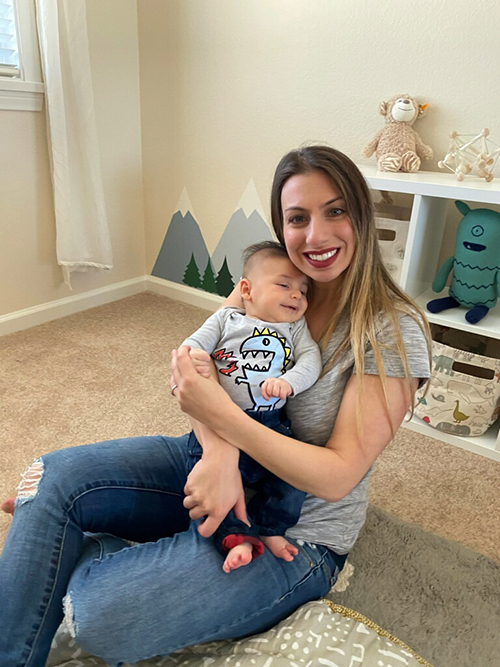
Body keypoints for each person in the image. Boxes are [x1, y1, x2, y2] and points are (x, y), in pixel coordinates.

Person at [0, 145, 431, 667]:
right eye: (297, 218)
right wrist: (219, 456)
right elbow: (193, 369)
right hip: (205, 458)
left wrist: (222, 424)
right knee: (48, 479)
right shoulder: (274, 282)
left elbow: (338, 475)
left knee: (97, 614)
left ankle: (81, 547)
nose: (315, 236)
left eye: (335, 211)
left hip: (292, 531)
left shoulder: (392, 329)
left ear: (361, 213)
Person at [181, 241, 321, 573]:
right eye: (284, 285)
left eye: (303, 290)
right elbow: (190, 347)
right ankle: (236, 537)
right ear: (246, 289)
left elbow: (311, 361)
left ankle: (271, 527)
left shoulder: (295, 328)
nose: (296, 296)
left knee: (294, 479)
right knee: (207, 482)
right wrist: (199, 359)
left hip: (270, 424)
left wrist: (290, 382)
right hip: (218, 426)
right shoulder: (227, 319)